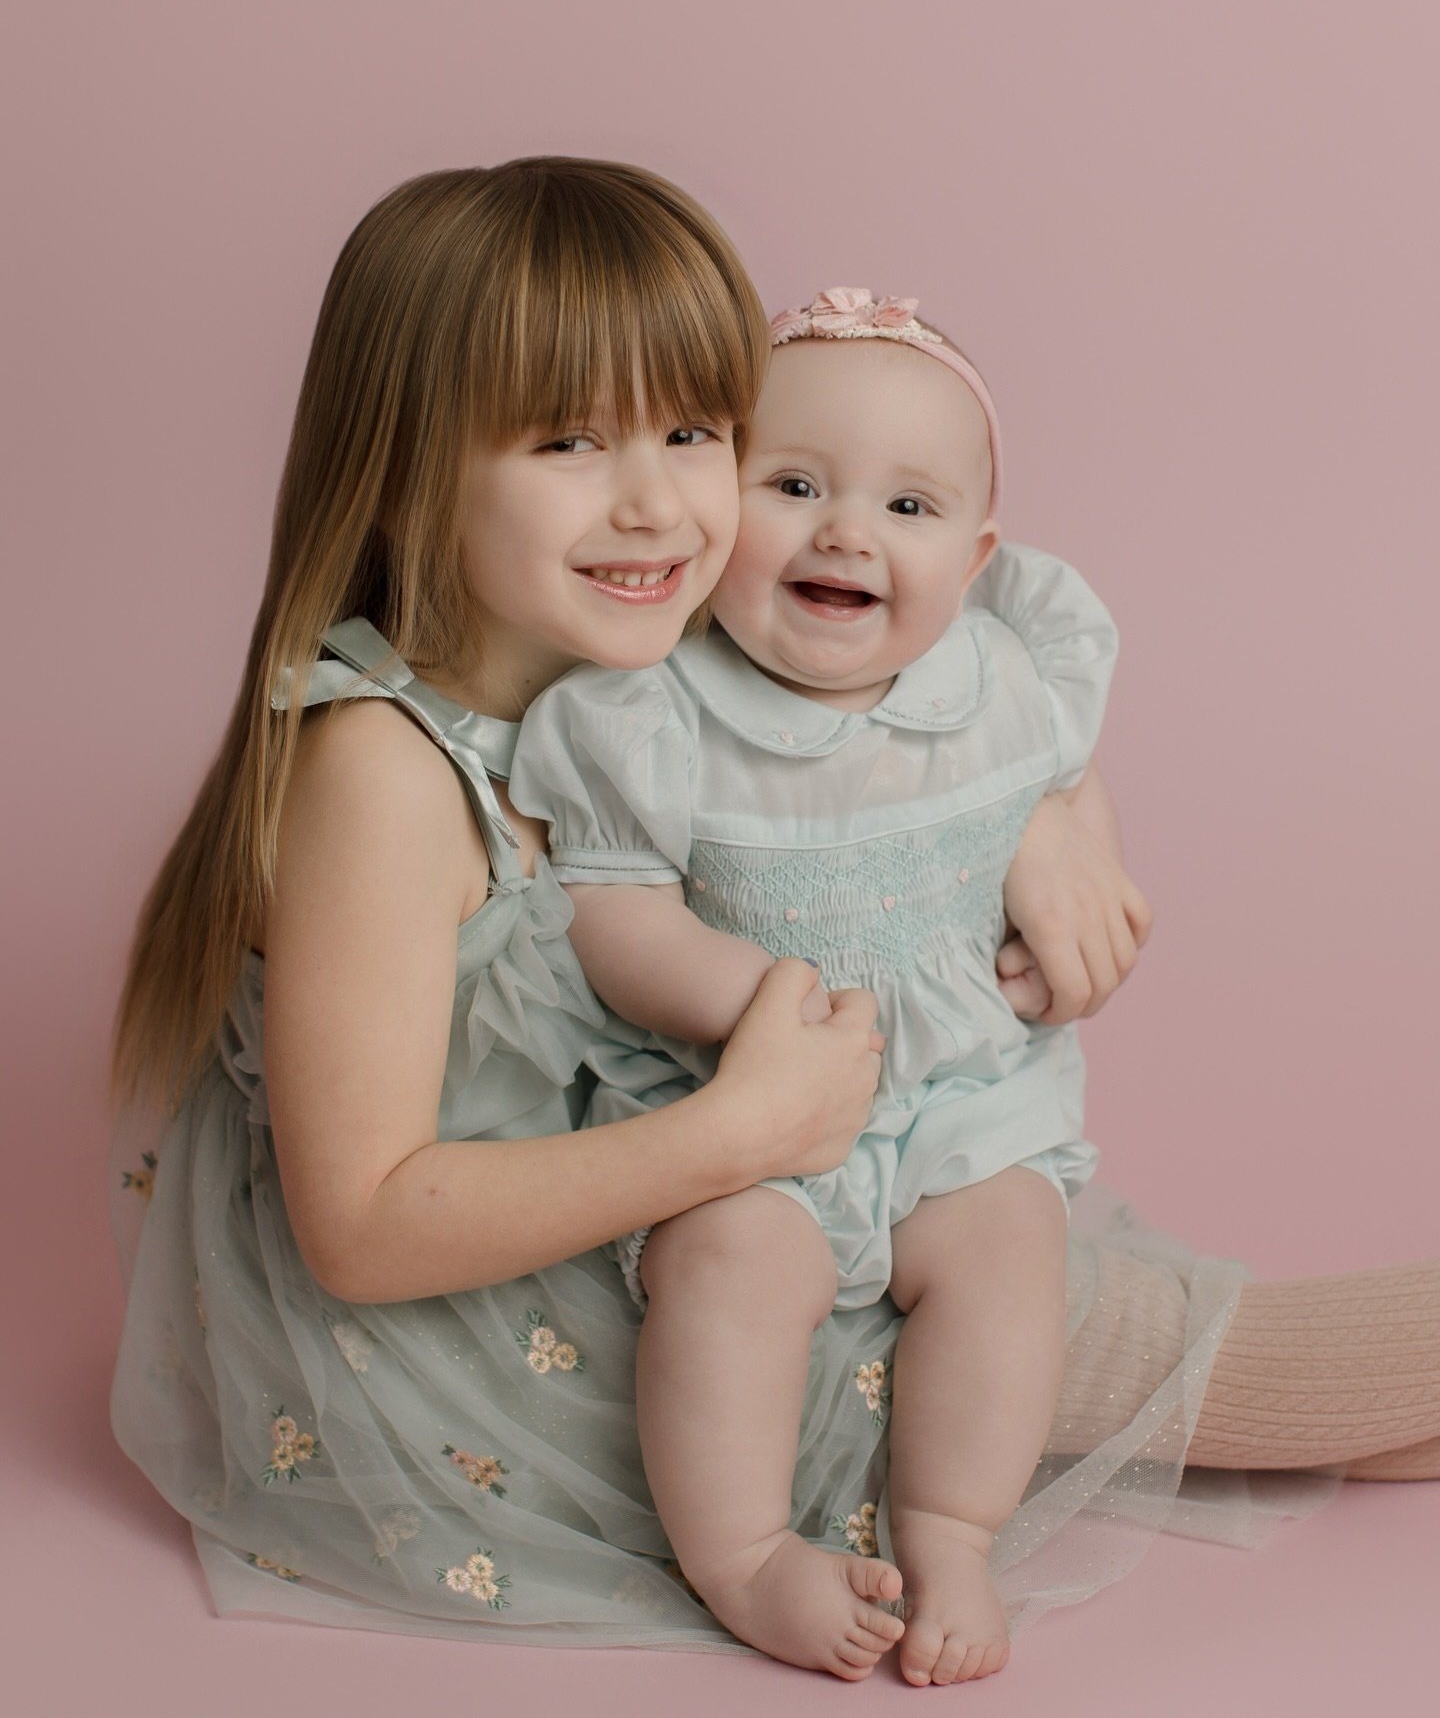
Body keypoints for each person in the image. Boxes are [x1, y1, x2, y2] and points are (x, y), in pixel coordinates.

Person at [109, 160, 1440, 1675]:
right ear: (412, 467)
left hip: (798, 1188)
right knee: (1211, 1365)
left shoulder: (633, 658)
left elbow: (944, 669)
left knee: (1244, 1388)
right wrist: (738, 1138)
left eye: (694, 431)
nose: (656, 500)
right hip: (598, 1299)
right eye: (567, 440)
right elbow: (356, 1225)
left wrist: (1069, 821)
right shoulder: (384, 775)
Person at [508, 286, 1139, 1683]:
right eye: (793, 485)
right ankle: (740, 1551)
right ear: (721, 510)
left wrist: (1075, 873)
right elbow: (609, 913)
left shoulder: (1005, 674)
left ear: (976, 556)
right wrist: (753, 998)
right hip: (747, 1100)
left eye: (909, 510)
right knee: (728, 1271)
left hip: (966, 1091)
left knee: (1008, 1259)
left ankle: (953, 1527)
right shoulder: (654, 710)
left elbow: (1069, 798)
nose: (848, 531)